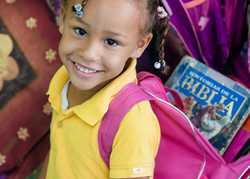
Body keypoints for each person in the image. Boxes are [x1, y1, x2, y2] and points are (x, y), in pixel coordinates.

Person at [40, 0, 170, 178]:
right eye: (80, 31)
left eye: (111, 41)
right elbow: (59, 149)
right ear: (63, 18)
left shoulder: (133, 123)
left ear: (140, 45)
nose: (89, 53)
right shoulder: (64, 79)